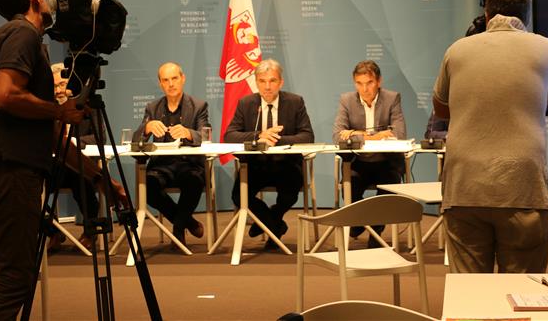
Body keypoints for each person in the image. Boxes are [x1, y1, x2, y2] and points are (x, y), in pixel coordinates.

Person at [0, 0, 124, 320]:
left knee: (1, 275)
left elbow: (53, 136)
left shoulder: (12, 35)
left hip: (1, 171)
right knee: (15, 278)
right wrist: (58, 110)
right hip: (10, 173)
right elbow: (5, 95)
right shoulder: (22, 33)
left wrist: (100, 179)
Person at [432, 0, 548, 273]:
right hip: (522, 186)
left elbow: (441, 108)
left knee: (469, 289)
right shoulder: (543, 47)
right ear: (526, 18)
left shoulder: (457, 50)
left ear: (486, 14)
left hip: (464, 186)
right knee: (521, 287)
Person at [224, 59, 315, 248]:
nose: (267, 86)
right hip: (256, 165)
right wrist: (259, 136)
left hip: (286, 165)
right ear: (256, 82)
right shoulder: (246, 103)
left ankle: (269, 221)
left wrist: (276, 139)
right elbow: (230, 135)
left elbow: (307, 136)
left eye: (272, 81)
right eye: (262, 81)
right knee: (238, 196)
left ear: (281, 82)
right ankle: (274, 225)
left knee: (289, 194)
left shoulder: (295, 102)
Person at [133, 62, 208, 249]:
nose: (171, 84)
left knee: (194, 182)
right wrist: (147, 128)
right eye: (166, 80)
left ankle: (178, 229)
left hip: (189, 164)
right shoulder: (152, 107)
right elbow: (136, 141)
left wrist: (188, 133)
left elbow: (205, 136)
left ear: (183, 79)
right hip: (161, 166)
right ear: (160, 84)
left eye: (174, 78)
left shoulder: (198, 106)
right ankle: (187, 222)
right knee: (147, 186)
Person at [332, 59, 407, 246]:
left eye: (369, 83)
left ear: (379, 81)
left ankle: (375, 235)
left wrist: (355, 134)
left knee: (387, 192)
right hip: (359, 162)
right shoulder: (346, 100)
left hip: (387, 162)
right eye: (359, 83)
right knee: (350, 188)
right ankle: (360, 223)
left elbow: (399, 134)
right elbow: (337, 136)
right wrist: (377, 135)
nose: (364, 89)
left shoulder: (392, 98)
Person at [47, 63, 101, 252]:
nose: (58, 91)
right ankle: (53, 231)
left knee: (81, 178)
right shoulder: (48, 109)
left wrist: (75, 142)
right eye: (54, 86)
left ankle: (90, 232)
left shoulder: (85, 106)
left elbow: (99, 137)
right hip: (53, 168)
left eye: (62, 85)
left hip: (79, 166)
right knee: (29, 186)